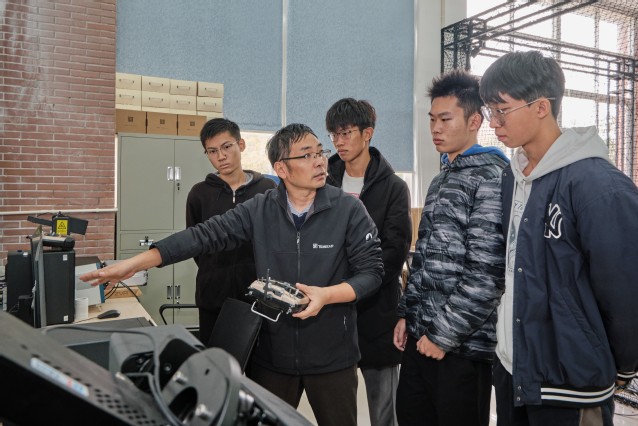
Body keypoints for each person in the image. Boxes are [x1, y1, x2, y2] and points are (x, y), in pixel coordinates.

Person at [81, 123, 384, 426]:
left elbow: (372, 272)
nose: (319, 162)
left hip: (333, 357)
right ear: (281, 168)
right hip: (274, 356)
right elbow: (203, 235)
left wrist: (328, 295)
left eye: (320, 152)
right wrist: (136, 264)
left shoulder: (348, 209)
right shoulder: (260, 209)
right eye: (307, 155)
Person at [480, 50, 638, 426]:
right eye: (490, 111)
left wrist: (624, 364)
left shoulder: (599, 186)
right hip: (514, 368)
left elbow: (625, 290)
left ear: (541, 107)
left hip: (570, 379)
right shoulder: (512, 176)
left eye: (502, 110)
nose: (494, 122)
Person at [393, 69, 509, 426]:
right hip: (421, 338)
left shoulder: (492, 178)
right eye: (432, 120)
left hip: (462, 349)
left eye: (445, 119)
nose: (435, 129)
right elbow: (423, 258)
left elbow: (486, 275)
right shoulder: (441, 178)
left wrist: (442, 336)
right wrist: (407, 314)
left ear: (474, 121)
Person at [325, 97, 412, 426]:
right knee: (336, 405)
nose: (339, 141)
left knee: (383, 407)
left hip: (376, 308)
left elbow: (395, 249)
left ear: (367, 133)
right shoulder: (325, 182)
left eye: (346, 132)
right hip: (331, 309)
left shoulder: (393, 187)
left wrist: (357, 284)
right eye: (334, 134)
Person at [186, 118, 276, 345]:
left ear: (241, 144)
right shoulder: (199, 194)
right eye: (212, 151)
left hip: (259, 298)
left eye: (227, 147)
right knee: (216, 363)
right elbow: (197, 245)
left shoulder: (267, 190)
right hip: (213, 298)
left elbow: (275, 239)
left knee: (258, 364)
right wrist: (215, 271)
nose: (221, 156)